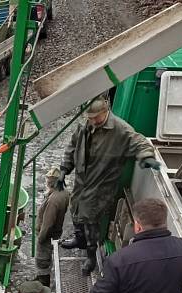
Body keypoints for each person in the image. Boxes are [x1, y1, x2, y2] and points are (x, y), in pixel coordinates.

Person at [58, 96, 159, 275]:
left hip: (102, 185)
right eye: (90, 118)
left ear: (106, 112)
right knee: (75, 209)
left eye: (96, 117)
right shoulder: (85, 126)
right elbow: (72, 148)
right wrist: (64, 169)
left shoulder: (120, 129)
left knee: (90, 220)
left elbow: (139, 141)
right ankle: (79, 239)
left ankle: (90, 256)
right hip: (82, 180)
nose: (93, 121)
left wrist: (146, 156)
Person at [35, 166, 70, 287]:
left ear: (51, 182)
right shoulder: (64, 193)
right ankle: (42, 278)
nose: (46, 182)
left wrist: (40, 238)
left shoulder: (53, 200)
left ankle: (43, 283)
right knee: (46, 258)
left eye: (48, 180)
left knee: (42, 260)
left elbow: (48, 224)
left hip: (48, 236)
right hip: (56, 233)